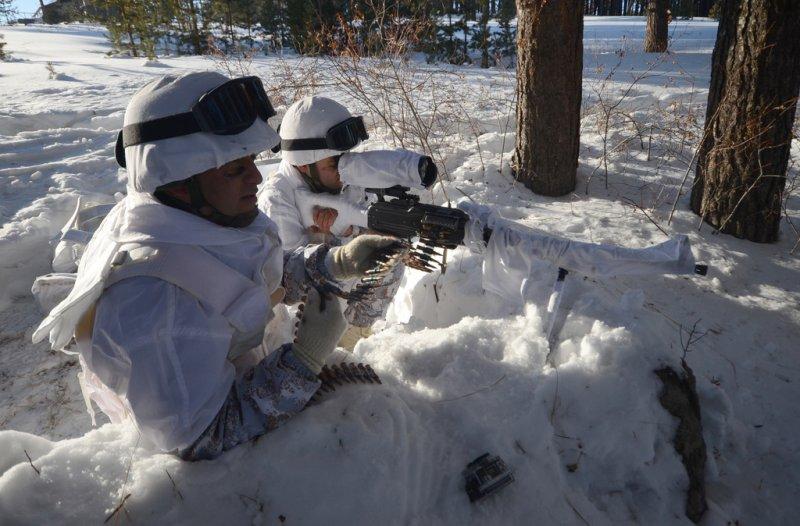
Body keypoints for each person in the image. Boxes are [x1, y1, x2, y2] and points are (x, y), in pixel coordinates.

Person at [32, 72, 402, 460]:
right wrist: (303, 361)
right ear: (178, 183)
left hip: (241, 371)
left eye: (250, 161)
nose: (258, 177)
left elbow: (246, 278)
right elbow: (201, 439)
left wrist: (333, 262)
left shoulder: (193, 221)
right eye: (234, 169)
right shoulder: (153, 300)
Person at [258, 96, 404, 333]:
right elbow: (289, 287)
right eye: (333, 165)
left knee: (387, 255)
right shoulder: (277, 201)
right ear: (304, 165)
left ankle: (358, 337)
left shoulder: (336, 179)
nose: (343, 172)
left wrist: (358, 231)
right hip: (301, 329)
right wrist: (327, 240)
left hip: (347, 306)